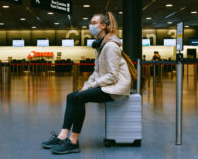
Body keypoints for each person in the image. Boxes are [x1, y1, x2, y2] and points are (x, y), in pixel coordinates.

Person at [41, 12, 132, 154]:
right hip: (107, 85)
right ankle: (62, 136)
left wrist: (90, 86)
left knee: (79, 98)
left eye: (94, 23)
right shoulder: (100, 46)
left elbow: (113, 76)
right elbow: (96, 72)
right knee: (71, 96)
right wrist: (86, 85)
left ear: (103, 26)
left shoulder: (110, 46)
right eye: (91, 22)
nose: (91, 25)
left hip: (116, 89)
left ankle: (73, 141)